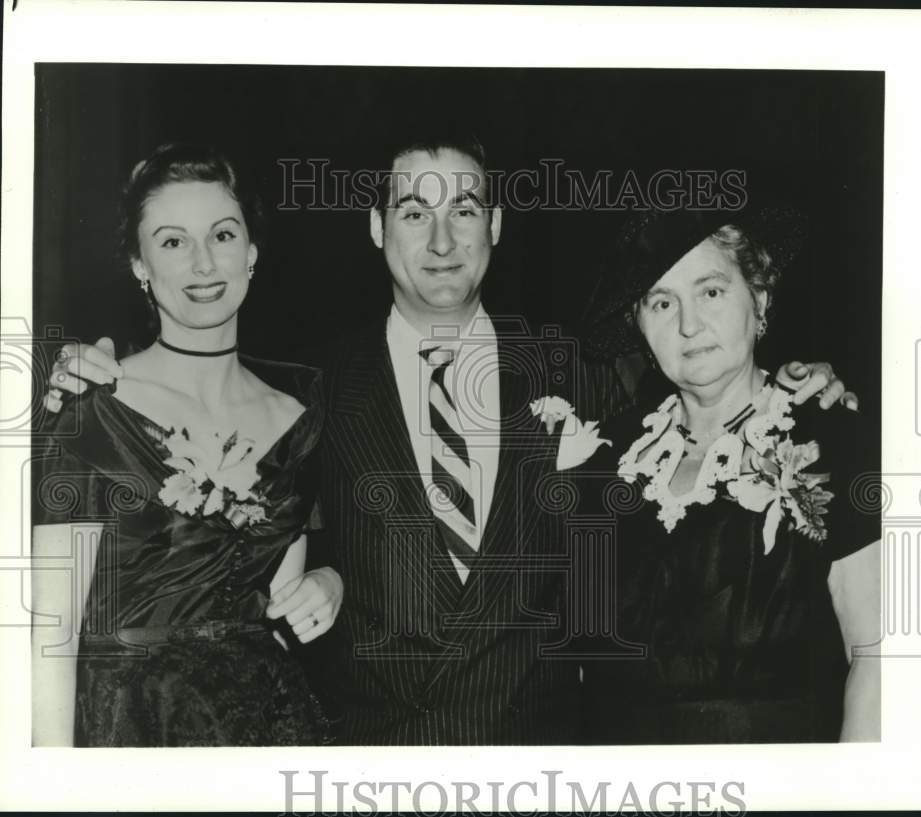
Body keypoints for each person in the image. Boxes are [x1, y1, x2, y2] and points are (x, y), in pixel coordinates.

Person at [46, 134, 855, 745]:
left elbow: (710, 374)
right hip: (364, 762)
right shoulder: (308, 390)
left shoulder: (584, 369)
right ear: (375, 228)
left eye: (463, 210)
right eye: (413, 212)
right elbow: (248, 513)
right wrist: (77, 369)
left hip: (539, 761)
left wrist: (805, 376)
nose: (440, 239)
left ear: (495, 224)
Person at [32, 143, 344, 746]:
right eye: (173, 242)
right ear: (139, 265)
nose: (204, 263)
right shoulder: (89, 407)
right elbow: (50, 634)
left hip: (264, 727)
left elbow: (282, 611)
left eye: (223, 235)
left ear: (251, 252)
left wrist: (327, 587)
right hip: (130, 730)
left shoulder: (299, 418)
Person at [578, 206, 881, 743]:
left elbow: (881, 661)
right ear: (639, 325)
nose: (689, 324)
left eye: (711, 292)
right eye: (661, 302)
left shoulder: (834, 442)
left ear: (759, 299)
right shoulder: (604, 460)